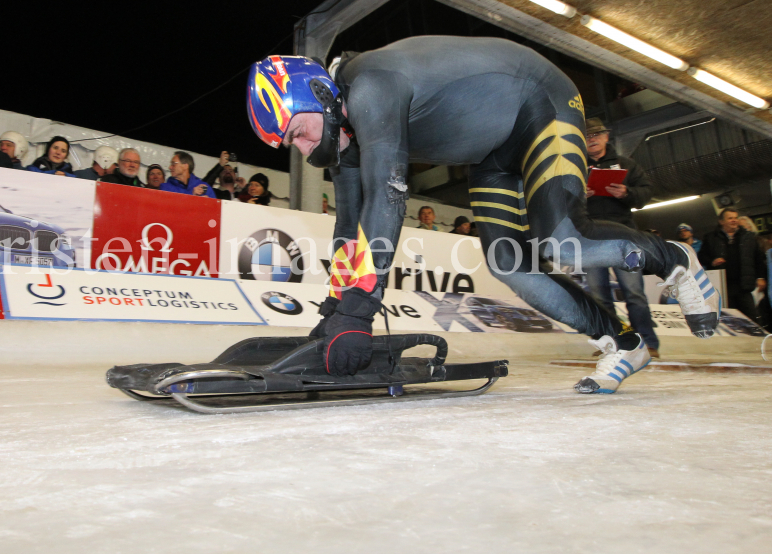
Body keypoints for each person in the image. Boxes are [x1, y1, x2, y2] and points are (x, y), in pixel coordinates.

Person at [246, 38, 720, 394]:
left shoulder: (369, 87)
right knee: (508, 264)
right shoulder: (344, 129)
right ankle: (623, 344)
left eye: (299, 133)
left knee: (563, 241)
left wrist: (358, 310)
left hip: (542, 102)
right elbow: (349, 225)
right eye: (295, 146)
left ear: (322, 97)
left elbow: (388, 197)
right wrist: (334, 312)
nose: (307, 150)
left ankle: (672, 257)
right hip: (493, 148)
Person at [580, 118, 660, 359]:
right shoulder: (573, 169)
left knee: (634, 292)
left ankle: (647, 343)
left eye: (596, 134)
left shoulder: (627, 165)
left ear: (607, 136)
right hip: (590, 239)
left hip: (624, 237)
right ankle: (610, 343)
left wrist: (627, 192)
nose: (592, 139)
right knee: (598, 294)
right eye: (587, 136)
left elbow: (646, 193)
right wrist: (577, 196)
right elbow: (559, 201)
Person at [699, 208, 767, 323]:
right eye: (730, 218)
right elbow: (701, 257)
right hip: (723, 287)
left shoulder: (748, 237)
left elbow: (759, 259)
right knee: (728, 319)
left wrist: (761, 277)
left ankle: (755, 340)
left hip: (744, 286)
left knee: (752, 319)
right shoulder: (710, 238)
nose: (734, 220)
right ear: (721, 221)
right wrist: (712, 261)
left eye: (735, 218)